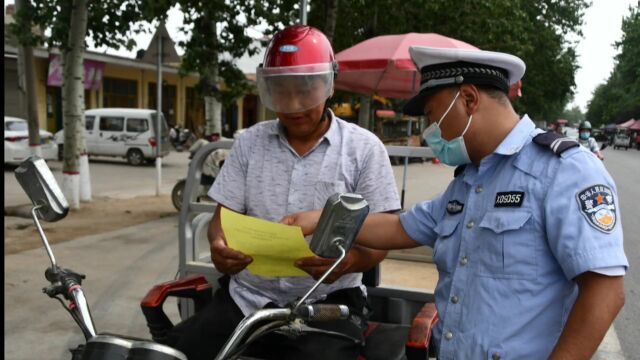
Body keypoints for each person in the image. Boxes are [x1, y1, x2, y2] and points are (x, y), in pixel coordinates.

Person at [283, 44, 627, 359]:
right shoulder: (469, 181)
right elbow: (398, 227)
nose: (431, 130)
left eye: (432, 116)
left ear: (468, 99)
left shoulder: (564, 171)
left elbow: (605, 292)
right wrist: (322, 217)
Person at [165, 25, 400, 360]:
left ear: (328, 84)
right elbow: (223, 219)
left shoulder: (363, 149)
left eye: (305, 91)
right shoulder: (249, 142)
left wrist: (348, 263)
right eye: (281, 92)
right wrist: (218, 246)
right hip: (245, 299)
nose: (293, 105)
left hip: (328, 304)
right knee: (176, 353)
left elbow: (383, 235)